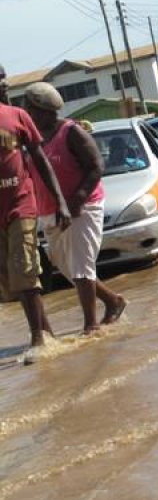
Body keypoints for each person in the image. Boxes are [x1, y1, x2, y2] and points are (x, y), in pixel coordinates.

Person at [25, 82, 127, 334]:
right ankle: (113, 301)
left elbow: (96, 166)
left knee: (81, 266)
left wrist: (76, 200)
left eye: (31, 109)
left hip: (83, 206)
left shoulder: (71, 132)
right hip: (50, 211)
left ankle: (90, 326)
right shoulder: (31, 139)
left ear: (46, 110)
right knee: (67, 267)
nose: (28, 114)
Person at [0, 67, 71, 355]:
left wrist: (60, 201)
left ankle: (38, 342)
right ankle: (48, 333)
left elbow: (40, 159)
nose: (3, 86)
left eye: (4, 81)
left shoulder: (18, 117)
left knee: (25, 271)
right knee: (11, 284)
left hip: (21, 205)